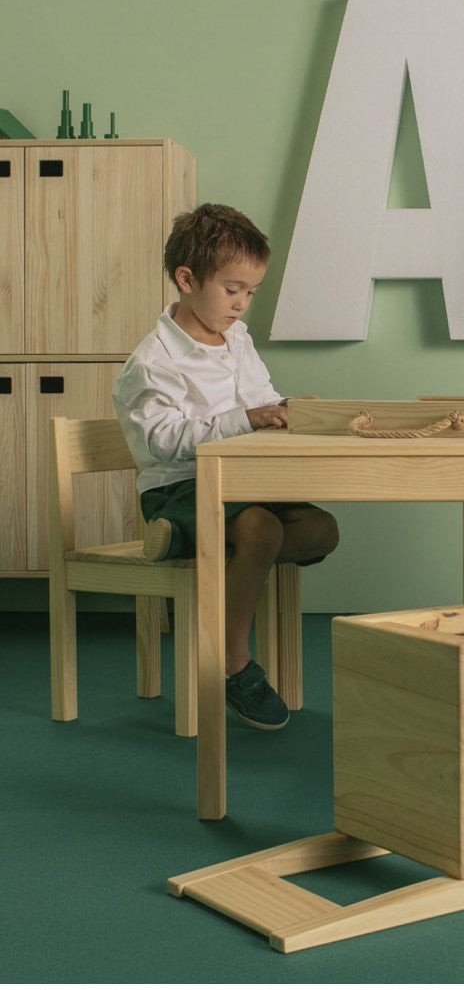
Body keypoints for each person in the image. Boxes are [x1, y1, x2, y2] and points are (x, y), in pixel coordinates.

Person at [113, 203, 339, 731]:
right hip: (178, 488)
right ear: (186, 279)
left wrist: (286, 409)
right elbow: (163, 443)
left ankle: (185, 540)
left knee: (322, 529)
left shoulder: (236, 339)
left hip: (241, 482)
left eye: (250, 293)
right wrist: (248, 418)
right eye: (232, 289)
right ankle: (232, 662)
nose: (241, 305)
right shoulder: (152, 362)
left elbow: (260, 398)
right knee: (259, 530)